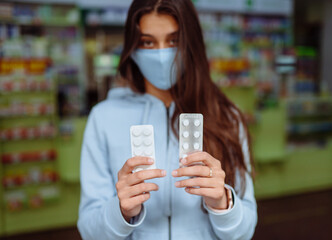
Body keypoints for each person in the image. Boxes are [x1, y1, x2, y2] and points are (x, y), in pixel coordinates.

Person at [77, 0, 257, 239]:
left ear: (191, 43)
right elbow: (89, 229)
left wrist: (223, 203)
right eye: (148, 42)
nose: (162, 54)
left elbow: (245, 231)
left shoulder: (226, 116)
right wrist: (120, 212)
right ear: (133, 46)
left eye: (174, 40)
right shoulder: (104, 118)